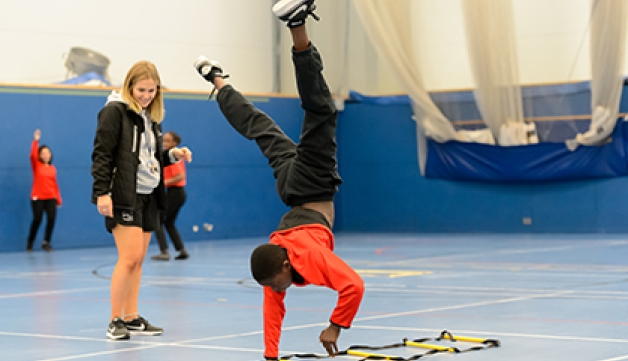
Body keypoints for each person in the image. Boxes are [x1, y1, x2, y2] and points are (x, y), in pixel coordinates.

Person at [194, 1, 364, 359]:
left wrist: (337, 324)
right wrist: (271, 356)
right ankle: (217, 79)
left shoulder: (308, 258)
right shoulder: (276, 262)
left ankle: (296, 25)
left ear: (286, 266)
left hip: (311, 185)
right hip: (290, 190)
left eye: (276, 283)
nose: (276, 289)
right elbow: (273, 312)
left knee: (321, 109)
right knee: (260, 127)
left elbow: (353, 285)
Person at [91, 60, 192, 341]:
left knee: (138, 261)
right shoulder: (114, 112)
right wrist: (102, 192)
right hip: (124, 194)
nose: (146, 95)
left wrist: (173, 155)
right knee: (129, 257)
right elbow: (102, 155)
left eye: (152, 90)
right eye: (141, 90)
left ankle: (131, 317)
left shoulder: (151, 117)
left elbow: (147, 159)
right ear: (129, 86)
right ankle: (114, 320)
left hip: (149, 194)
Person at [151, 131, 189, 261]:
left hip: (175, 193)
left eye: (168, 141)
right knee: (169, 222)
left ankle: (164, 251)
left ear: (175, 143)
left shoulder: (174, 156)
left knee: (158, 221)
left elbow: (180, 176)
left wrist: (163, 182)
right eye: (163, 140)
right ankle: (181, 250)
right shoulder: (163, 156)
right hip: (175, 193)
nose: (164, 143)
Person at [27, 129, 62, 252]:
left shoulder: (52, 168)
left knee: (51, 219)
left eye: (48, 153)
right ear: (40, 155)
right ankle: (30, 242)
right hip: (38, 197)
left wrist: (58, 198)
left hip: (51, 197)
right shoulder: (37, 165)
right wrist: (36, 140)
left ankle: (46, 242)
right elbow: (32, 155)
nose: (46, 155)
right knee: (37, 219)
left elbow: (54, 184)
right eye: (43, 153)